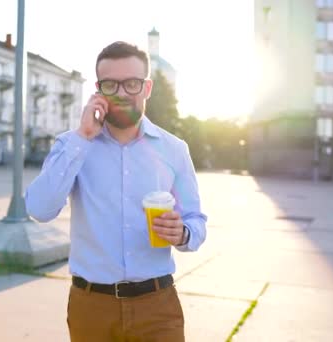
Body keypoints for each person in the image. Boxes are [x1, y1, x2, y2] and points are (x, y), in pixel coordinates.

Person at [25, 41, 207, 342]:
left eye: (132, 83)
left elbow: (196, 221)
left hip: (158, 306)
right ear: (98, 90)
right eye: (111, 84)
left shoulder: (174, 150)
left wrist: (183, 233)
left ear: (147, 88)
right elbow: (40, 209)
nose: (122, 93)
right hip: (91, 306)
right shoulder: (71, 145)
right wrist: (83, 137)